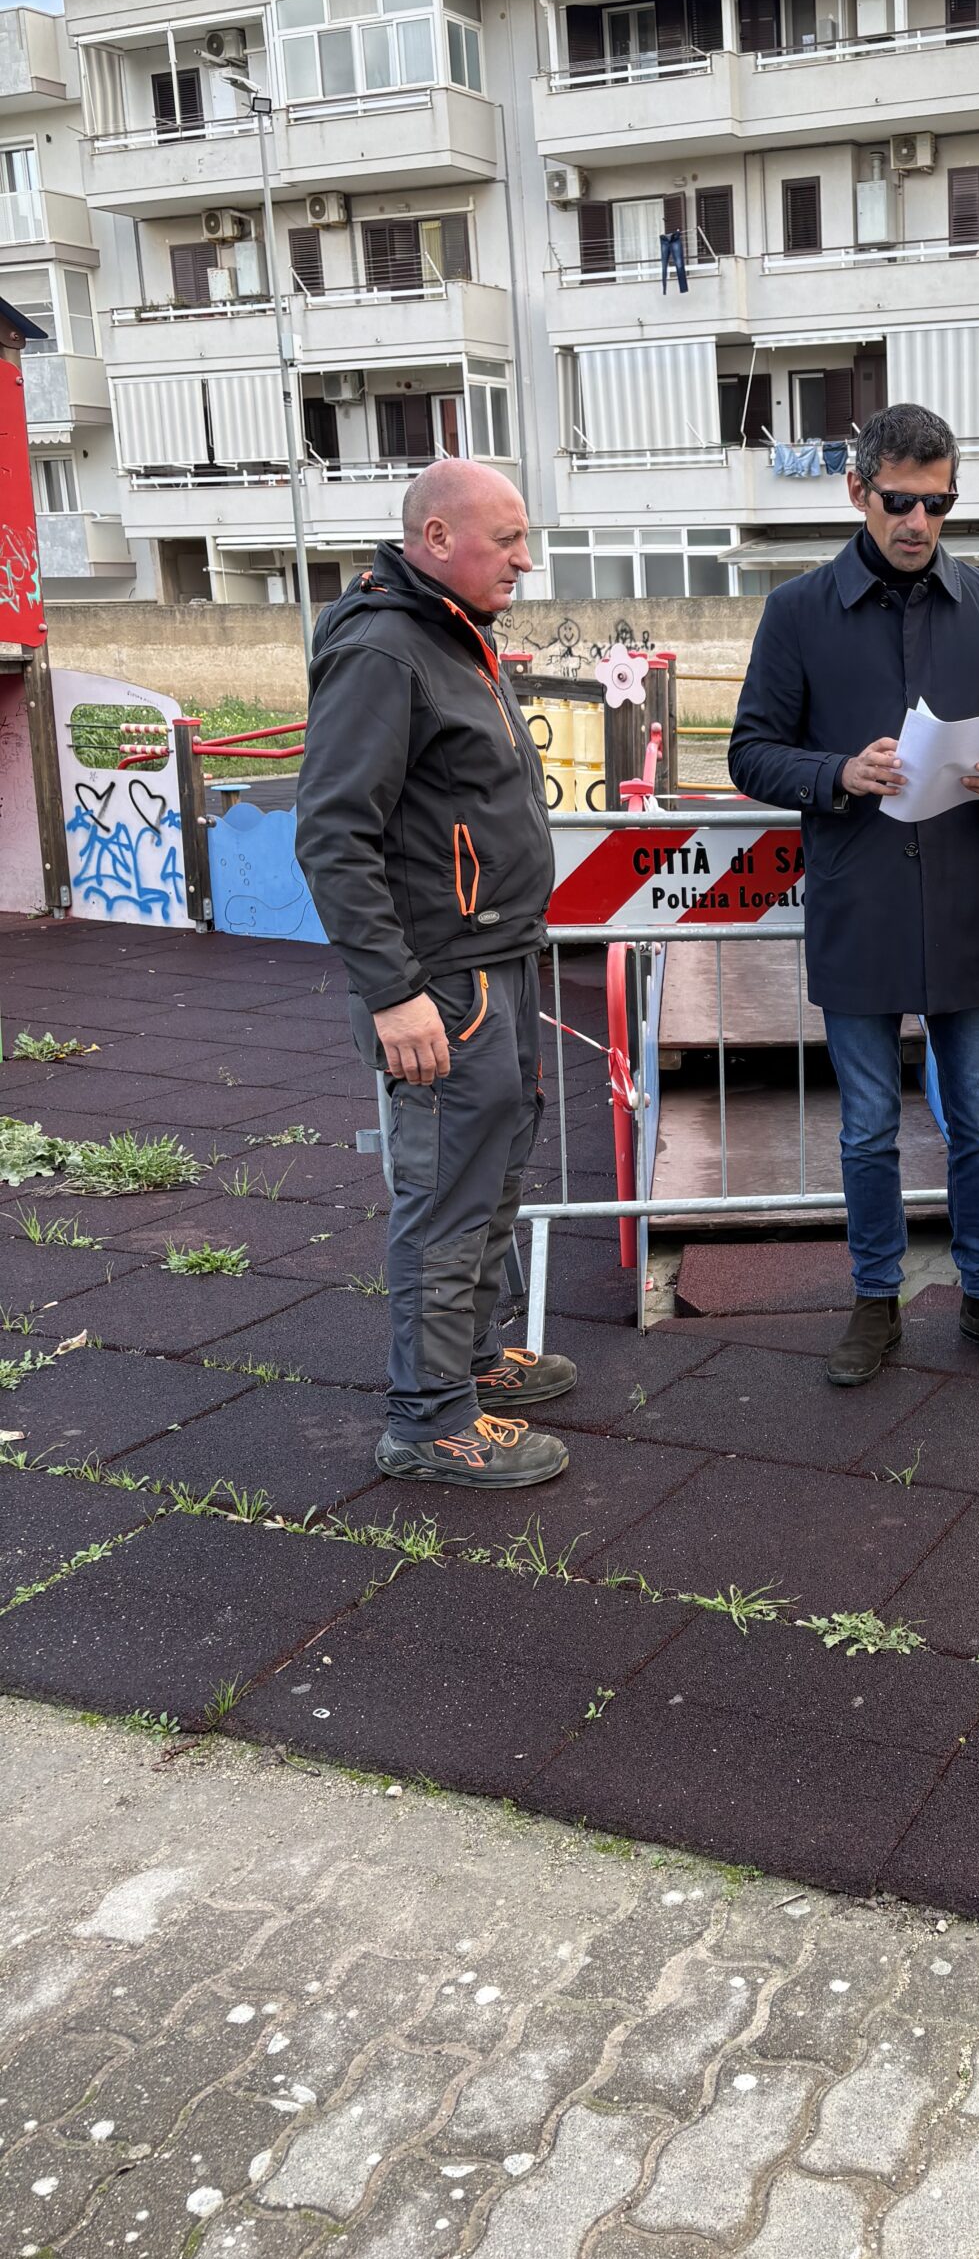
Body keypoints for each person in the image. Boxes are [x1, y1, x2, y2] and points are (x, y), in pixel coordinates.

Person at [729, 401, 979, 1384]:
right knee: (868, 1124)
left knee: (974, 1112)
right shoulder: (796, 610)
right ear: (858, 492)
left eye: (939, 503)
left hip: (962, 897)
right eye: (900, 501)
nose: (919, 522)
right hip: (859, 900)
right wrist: (838, 773)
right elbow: (751, 750)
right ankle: (875, 1301)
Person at [296, 462, 576, 1489]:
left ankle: (467, 1359)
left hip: (498, 957)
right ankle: (426, 1418)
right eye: (506, 538)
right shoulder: (385, 647)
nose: (524, 557)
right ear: (437, 533)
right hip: (446, 979)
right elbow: (332, 832)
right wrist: (392, 989)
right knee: (449, 1185)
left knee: (494, 1166)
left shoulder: (453, 633)